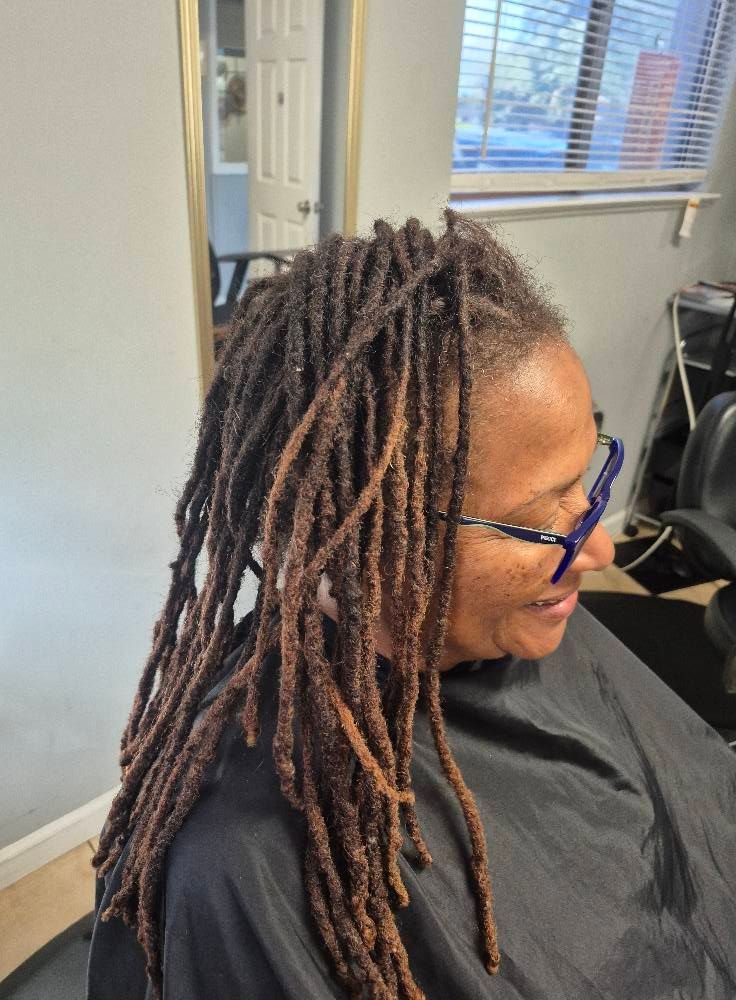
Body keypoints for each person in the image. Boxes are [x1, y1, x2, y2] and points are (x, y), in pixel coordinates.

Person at [87, 213, 736, 1000]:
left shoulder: (521, 621)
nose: (597, 551)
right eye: (539, 521)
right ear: (359, 533)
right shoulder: (241, 863)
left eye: (585, 481)